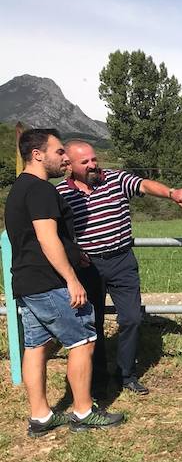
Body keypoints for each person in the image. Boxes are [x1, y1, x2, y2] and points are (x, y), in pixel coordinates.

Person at [5, 129, 124, 436]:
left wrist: (75, 252)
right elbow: (46, 238)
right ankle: (84, 412)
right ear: (37, 154)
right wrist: (72, 279)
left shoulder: (19, 188)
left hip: (26, 282)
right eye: (59, 152)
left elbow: (33, 238)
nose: (64, 157)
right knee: (83, 342)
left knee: (37, 346)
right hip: (49, 282)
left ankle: (41, 416)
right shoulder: (43, 190)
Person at [58, 140, 182, 396]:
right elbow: (56, 233)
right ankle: (97, 378)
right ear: (70, 165)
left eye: (94, 159)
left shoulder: (115, 179)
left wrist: (171, 193)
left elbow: (143, 184)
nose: (92, 165)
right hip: (88, 266)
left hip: (122, 261)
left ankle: (126, 375)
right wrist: (74, 253)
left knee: (131, 318)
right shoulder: (61, 194)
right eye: (85, 162)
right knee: (92, 323)